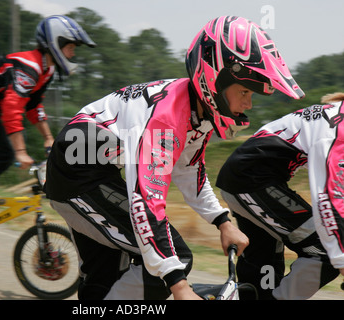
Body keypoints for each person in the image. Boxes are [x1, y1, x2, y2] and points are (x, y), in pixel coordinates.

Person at [44, 16, 304, 300]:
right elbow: (146, 202)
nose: (248, 103)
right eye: (244, 91)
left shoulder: (196, 112)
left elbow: (190, 173)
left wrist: (223, 222)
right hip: (77, 176)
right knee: (173, 261)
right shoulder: (167, 119)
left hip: (91, 172)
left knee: (104, 281)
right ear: (215, 78)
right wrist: (179, 286)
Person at [0, 15, 96, 228]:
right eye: (71, 47)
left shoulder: (46, 70)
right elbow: (12, 108)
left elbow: (33, 106)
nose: (73, 52)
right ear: (56, 44)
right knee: (4, 155)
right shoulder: (30, 67)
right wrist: (20, 151)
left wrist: (48, 138)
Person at [216, 93, 344, 299]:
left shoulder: (336, 115)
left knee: (263, 269)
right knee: (325, 251)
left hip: (245, 176)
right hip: (252, 181)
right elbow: (326, 199)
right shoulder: (337, 129)